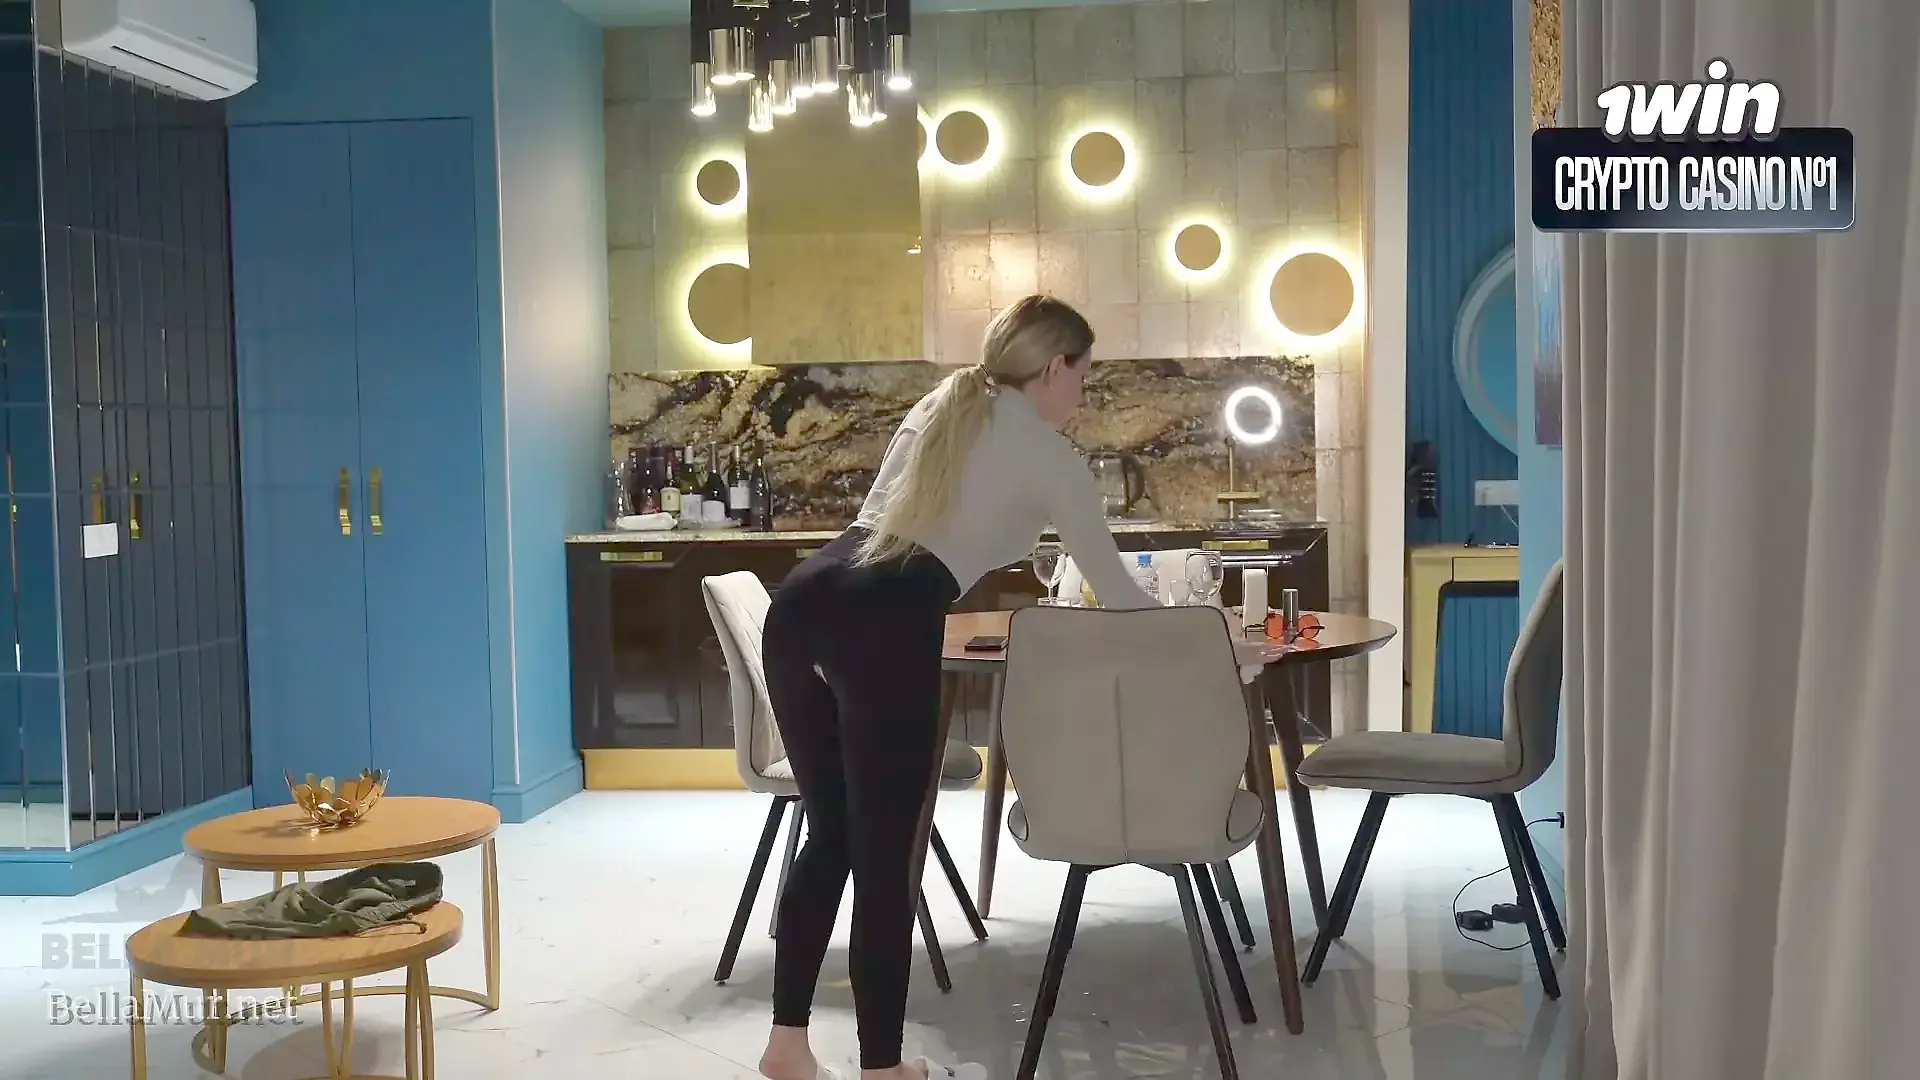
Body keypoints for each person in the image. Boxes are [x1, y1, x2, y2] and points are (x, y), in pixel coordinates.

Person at [755, 295, 1159, 1080]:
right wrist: (1216, 632)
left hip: (804, 599)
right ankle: (882, 1069)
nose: (1082, 396)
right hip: (886, 619)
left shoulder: (944, 403)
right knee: (883, 857)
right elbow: (1116, 593)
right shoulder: (1052, 457)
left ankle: (787, 1044)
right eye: (1083, 377)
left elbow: (886, 524)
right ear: (1055, 368)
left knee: (832, 833)